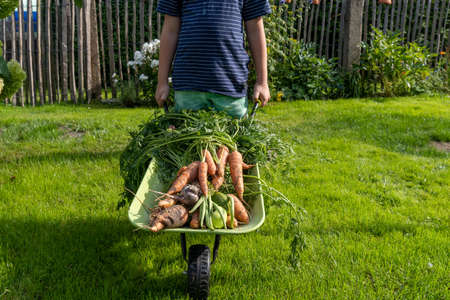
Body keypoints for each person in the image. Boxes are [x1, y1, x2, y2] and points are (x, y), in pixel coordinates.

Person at [155, 0, 271, 118]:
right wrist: (162, 82)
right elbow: (170, 31)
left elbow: (255, 30)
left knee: (234, 135)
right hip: (188, 84)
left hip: (230, 84)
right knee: (187, 134)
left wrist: (262, 82)